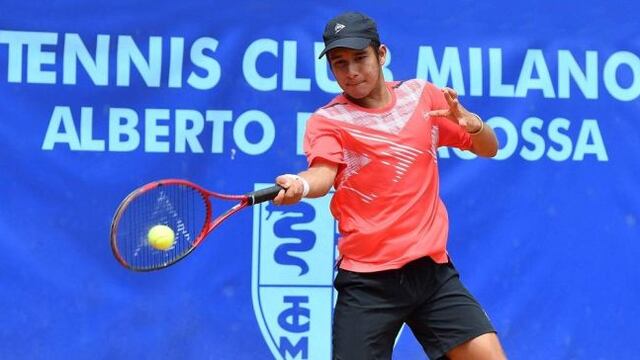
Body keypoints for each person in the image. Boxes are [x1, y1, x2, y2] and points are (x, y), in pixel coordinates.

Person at [273, 11, 506, 360]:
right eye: (339, 63)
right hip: (368, 282)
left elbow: (490, 147)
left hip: (430, 272)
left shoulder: (423, 98)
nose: (351, 72)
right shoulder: (328, 121)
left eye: (359, 58)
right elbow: (322, 173)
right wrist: (301, 186)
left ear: (381, 55)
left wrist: (471, 124)